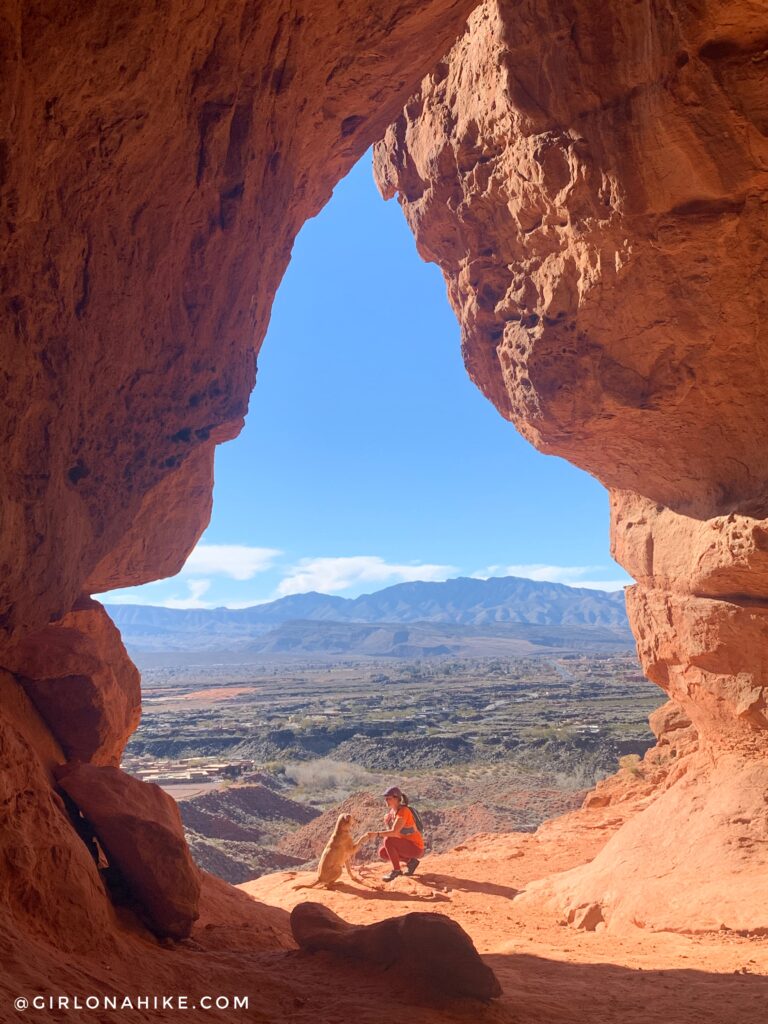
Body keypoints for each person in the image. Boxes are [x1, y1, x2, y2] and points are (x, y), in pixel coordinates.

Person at [362, 785, 424, 881]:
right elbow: (393, 831)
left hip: (415, 846)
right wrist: (387, 823)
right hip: (405, 843)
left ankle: (396, 870)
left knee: (388, 840)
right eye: (386, 799)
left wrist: (375, 834)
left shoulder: (404, 811)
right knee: (383, 853)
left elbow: (394, 832)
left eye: (389, 798)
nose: (386, 801)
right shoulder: (392, 812)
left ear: (397, 799)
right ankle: (411, 862)